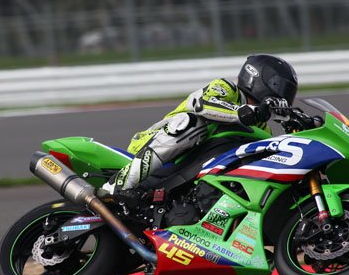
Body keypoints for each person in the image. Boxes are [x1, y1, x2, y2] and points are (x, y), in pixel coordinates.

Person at [101, 53, 298, 199]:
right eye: (279, 86)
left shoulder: (263, 128)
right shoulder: (226, 88)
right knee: (193, 122)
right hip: (152, 146)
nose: (284, 94)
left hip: (194, 171)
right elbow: (203, 105)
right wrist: (244, 112)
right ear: (260, 77)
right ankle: (119, 184)